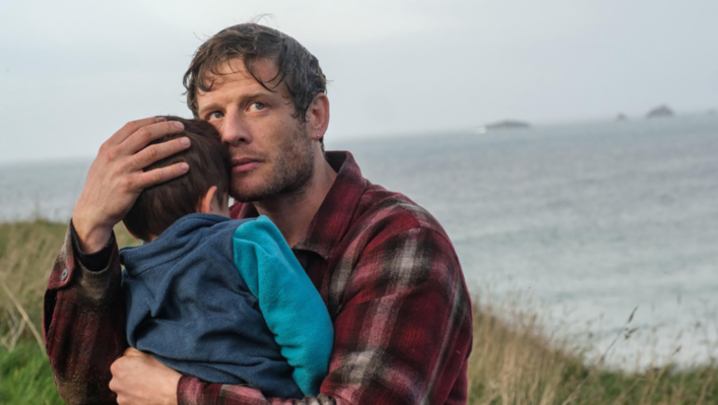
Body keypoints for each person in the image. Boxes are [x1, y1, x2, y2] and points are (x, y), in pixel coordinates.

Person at [44, 23, 473, 405]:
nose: (231, 132)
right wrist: (90, 231)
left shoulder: (401, 240)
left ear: (316, 117)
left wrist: (177, 393)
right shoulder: (202, 237)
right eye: (214, 114)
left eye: (256, 105)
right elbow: (88, 390)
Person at [118, 117, 332, 399]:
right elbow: (309, 333)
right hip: (263, 392)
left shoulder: (128, 278)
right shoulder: (246, 240)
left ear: (131, 227)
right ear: (210, 202)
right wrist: (306, 390)